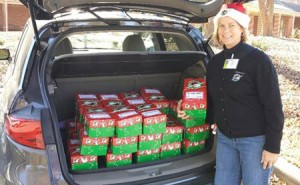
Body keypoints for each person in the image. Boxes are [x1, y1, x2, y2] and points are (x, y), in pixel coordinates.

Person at [177, 2, 284, 185]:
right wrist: (191, 108)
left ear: (242, 29)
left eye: (232, 25)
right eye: (222, 26)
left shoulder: (258, 61)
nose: (226, 31)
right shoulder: (216, 63)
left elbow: (273, 105)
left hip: (254, 142)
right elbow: (214, 101)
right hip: (225, 139)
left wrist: (272, 147)